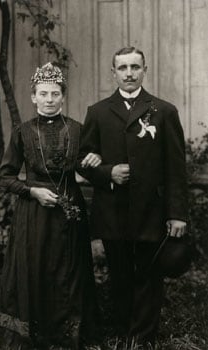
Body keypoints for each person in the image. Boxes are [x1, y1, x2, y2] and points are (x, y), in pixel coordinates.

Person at [78, 47, 188, 349]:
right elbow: (82, 161)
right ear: (113, 73)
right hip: (113, 210)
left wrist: (177, 213)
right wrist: (108, 172)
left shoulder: (163, 111)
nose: (129, 73)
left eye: (135, 67)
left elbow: (177, 168)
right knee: (121, 272)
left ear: (145, 70)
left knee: (149, 274)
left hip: (151, 210)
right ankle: (124, 328)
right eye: (123, 67)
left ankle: (142, 336)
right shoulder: (98, 112)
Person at [0, 62, 102, 350]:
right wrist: (32, 191)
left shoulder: (78, 129)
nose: (49, 99)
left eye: (55, 93)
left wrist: (96, 161)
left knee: (71, 269)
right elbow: (3, 177)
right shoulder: (22, 132)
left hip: (70, 211)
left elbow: (89, 167)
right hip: (34, 212)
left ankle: (69, 334)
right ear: (33, 97)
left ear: (63, 96)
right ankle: (36, 334)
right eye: (43, 94)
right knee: (36, 267)